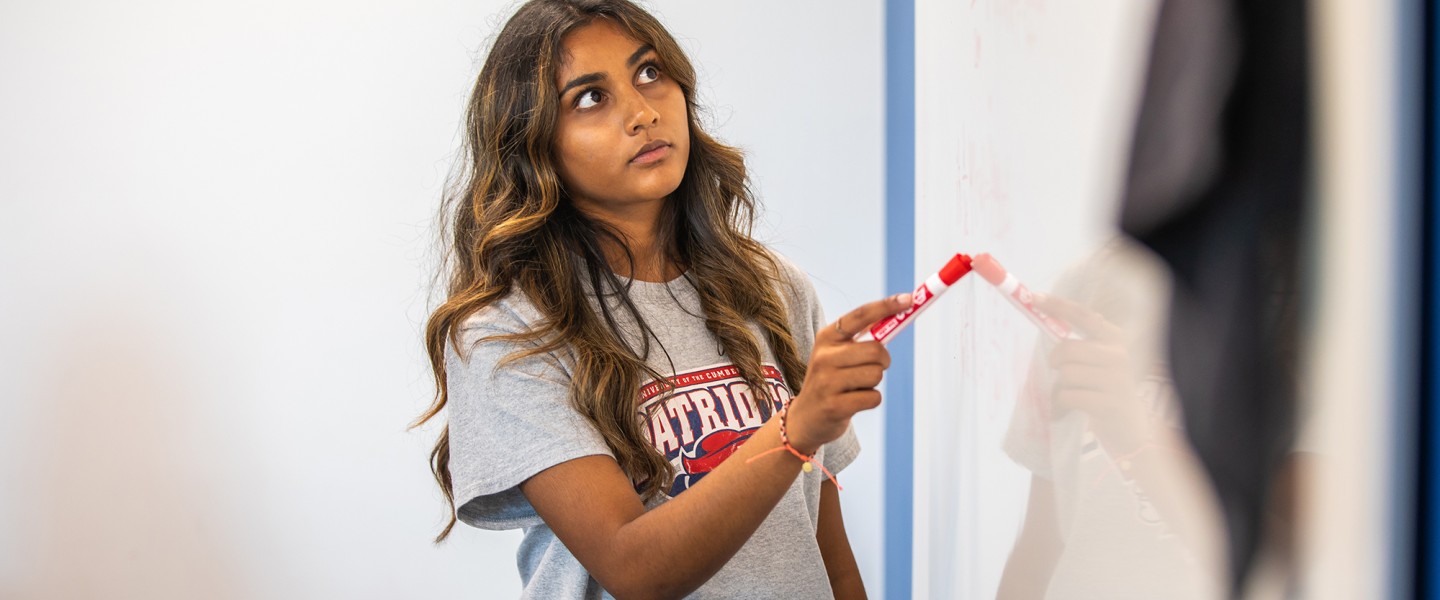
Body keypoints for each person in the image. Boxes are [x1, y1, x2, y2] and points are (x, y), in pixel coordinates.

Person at [411, 1, 905, 598]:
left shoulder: (774, 289)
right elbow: (633, 569)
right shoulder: (507, 333)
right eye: (590, 98)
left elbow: (825, 549)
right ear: (534, 142)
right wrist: (793, 430)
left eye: (649, 73)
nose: (643, 112)